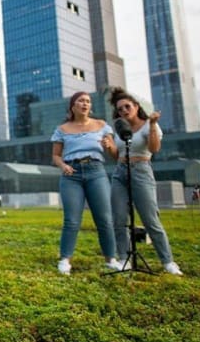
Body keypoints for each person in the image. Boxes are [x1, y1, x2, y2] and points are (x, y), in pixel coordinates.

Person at [107, 87, 182, 275]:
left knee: (151, 220)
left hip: (141, 170)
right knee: (119, 219)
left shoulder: (150, 124)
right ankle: (124, 259)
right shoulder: (120, 127)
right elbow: (117, 155)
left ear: (136, 106)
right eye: (120, 109)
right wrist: (108, 147)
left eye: (127, 106)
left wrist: (152, 125)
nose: (124, 111)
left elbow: (154, 148)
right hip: (120, 172)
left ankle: (168, 262)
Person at [51, 92, 122, 275]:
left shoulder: (102, 125)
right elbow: (56, 155)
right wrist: (63, 165)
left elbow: (115, 155)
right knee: (72, 220)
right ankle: (65, 260)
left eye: (88, 101)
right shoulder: (62, 129)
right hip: (71, 174)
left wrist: (110, 146)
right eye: (81, 101)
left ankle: (111, 259)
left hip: (96, 172)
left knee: (104, 219)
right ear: (73, 106)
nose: (85, 104)